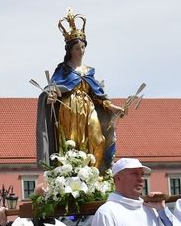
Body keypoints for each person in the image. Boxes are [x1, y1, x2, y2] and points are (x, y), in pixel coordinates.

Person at [36, 10, 126, 174]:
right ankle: (73, 173)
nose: (81, 51)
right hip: (69, 110)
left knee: (98, 139)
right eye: (78, 48)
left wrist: (111, 107)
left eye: (83, 47)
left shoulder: (89, 71)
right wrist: (51, 96)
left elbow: (97, 95)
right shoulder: (63, 70)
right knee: (72, 143)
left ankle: (94, 173)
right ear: (70, 50)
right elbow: (53, 89)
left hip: (88, 108)